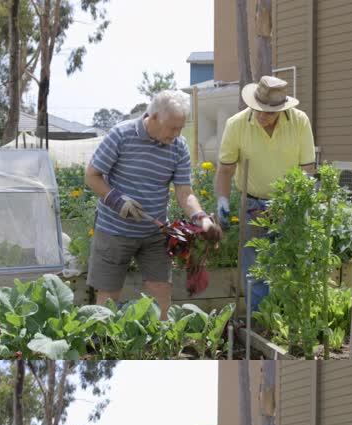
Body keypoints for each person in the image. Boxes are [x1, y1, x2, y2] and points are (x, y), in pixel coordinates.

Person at [85, 89, 222, 319]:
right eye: (172, 127)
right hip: (114, 230)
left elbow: (185, 193)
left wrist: (202, 219)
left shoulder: (178, 146)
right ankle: (106, 345)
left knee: (162, 290)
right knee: (108, 294)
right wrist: (118, 202)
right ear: (154, 116)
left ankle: (161, 345)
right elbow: (91, 176)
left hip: (155, 233)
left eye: (181, 127)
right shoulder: (121, 135)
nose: (177, 134)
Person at [214, 76, 317, 313]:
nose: (262, 115)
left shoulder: (299, 121)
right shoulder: (236, 124)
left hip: (290, 205)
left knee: (295, 263)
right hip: (252, 203)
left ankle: (291, 319)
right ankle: (259, 322)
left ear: (282, 109)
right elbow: (226, 170)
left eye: (269, 112)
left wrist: (287, 204)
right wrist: (222, 200)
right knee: (255, 268)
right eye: (258, 109)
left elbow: (307, 171)